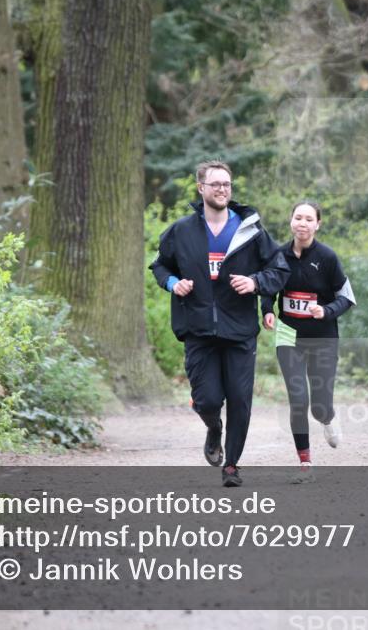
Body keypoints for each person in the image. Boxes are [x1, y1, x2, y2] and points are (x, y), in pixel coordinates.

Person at [149, 161, 289, 487]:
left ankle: (232, 465)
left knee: (240, 399)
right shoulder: (181, 231)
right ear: (201, 188)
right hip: (198, 328)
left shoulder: (250, 231)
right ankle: (214, 427)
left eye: (226, 184)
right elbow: (160, 266)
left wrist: (255, 283)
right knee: (208, 400)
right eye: (215, 184)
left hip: (239, 328)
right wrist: (173, 284)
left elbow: (279, 269)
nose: (222, 189)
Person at [261, 202, 355, 482]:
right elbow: (268, 288)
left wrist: (326, 311)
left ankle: (327, 417)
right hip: (288, 335)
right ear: (290, 221)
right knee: (298, 399)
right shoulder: (278, 255)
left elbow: (347, 298)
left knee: (319, 405)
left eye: (308, 219)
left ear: (317, 224)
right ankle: (305, 461)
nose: (302, 223)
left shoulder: (327, 257)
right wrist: (267, 310)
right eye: (298, 217)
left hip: (323, 338)